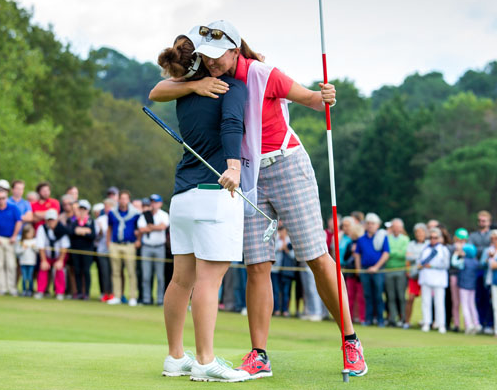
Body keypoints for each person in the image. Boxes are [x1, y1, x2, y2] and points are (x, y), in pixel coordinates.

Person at [150, 20, 366, 377]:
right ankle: (259, 354)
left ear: (236, 49)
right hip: (245, 176)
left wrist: (323, 96)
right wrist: (198, 84)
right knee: (257, 264)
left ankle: (351, 341)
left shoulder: (266, 74)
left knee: (315, 255)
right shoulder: (207, 74)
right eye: (208, 57)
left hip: (285, 164)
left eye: (219, 56)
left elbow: (310, 100)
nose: (213, 62)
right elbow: (160, 89)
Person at [157, 28, 251, 382]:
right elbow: (231, 124)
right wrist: (233, 165)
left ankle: (175, 357)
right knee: (209, 281)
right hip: (215, 193)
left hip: (181, 197)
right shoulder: (232, 86)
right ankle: (205, 361)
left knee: (181, 280)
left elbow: (159, 90)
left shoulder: (186, 91)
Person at [354, 212, 390, 327]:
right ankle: (368, 319)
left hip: (378, 270)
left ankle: (380, 319)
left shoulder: (382, 237)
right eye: (368, 223)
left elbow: (386, 254)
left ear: (377, 225)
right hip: (365, 270)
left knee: (378, 295)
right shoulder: (361, 239)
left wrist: (376, 267)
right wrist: (358, 269)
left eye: (373, 223)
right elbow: (357, 254)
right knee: (367, 295)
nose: (370, 225)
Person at [0, 187, 23, 296]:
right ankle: (2, 287)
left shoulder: (13, 208)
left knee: (11, 264)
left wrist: (14, 236)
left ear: (6, 198)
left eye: (3, 198)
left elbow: (19, 222)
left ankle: (12, 288)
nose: (1, 200)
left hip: (10, 239)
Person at [107, 190, 140, 306]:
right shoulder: (112, 213)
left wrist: (138, 240)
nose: (123, 201)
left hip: (129, 245)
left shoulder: (135, 214)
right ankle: (117, 296)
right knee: (116, 272)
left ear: (129, 200)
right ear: (119, 199)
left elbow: (138, 229)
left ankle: (132, 297)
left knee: (131, 272)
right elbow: (110, 228)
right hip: (115, 244)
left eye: (126, 198)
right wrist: (108, 243)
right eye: (122, 198)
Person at [137, 194, 169, 306]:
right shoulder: (144, 215)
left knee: (160, 276)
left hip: (159, 247)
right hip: (147, 247)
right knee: (146, 276)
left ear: (160, 203)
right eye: (152, 202)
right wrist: (155, 227)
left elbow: (163, 227)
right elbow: (141, 229)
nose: (153, 204)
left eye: (155, 202)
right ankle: (147, 299)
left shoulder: (163, 215)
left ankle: (160, 300)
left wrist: (150, 227)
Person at [418, 227, 450, 333]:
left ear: (439, 238)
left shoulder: (443, 249)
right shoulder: (425, 248)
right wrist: (421, 266)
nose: (433, 240)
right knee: (426, 302)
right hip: (426, 277)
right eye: (431, 237)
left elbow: (446, 264)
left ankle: (441, 324)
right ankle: (427, 322)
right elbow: (419, 261)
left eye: (435, 238)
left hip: (438, 279)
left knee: (439, 303)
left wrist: (431, 265)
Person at [35, 209, 70, 300]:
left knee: (59, 268)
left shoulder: (62, 229)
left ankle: (59, 292)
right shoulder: (42, 229)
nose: (51, 222)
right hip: (46, 255)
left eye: (53, 220)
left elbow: (64, 247)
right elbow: (40, 245)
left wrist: (60, 261)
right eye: (49, 220)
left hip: (59, 255)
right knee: (43, 268)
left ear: (57, 220)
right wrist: (43, 260)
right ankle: (40, 291)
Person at [470, 211, 493, 333]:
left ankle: (489, 324)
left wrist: (479, 251)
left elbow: (477, 250)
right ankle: (479, 322)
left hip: (490, 271)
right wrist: (485, 251)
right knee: (478, 298)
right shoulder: (473, 235)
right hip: (477, 270)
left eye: (484, 220)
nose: (481, 222)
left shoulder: (493, 234)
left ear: (489, 222)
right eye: (480, 220)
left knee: (489, 298)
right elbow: (471, 251)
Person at [68, 199, 95, 300]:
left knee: (86, 271)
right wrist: (85, 231)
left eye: (84, 209)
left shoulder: (91, 221)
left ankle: (86, 293)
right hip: (76, 250)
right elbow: (71, 233)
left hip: (87, 250)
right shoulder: (75, 221)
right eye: (81, 209)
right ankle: (79, 292)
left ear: (88, 210)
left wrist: (80, 231)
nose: (82, 211)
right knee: (77, 271)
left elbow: (92, 235)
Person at [385, 218, 409, 327]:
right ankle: (392, 318)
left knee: (401, 295)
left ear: (401, 228)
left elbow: (404, 253)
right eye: (394, 226)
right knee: (391, 296)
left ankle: (403, 318)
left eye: (398, 227)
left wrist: (393, 253)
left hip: (401, 270)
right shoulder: (387, 238)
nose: (396, 229)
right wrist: (396, 252)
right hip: (389, 269)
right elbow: (387, 252)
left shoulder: (405, 239)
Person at [341, 216, 365, 324]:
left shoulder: (363, 243)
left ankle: (361, 318)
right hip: (350, 272)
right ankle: (348, 319)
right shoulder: (350, 243)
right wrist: (351, 251)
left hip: (360, 273)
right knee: (349, 296)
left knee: (361, 297)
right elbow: (345, 258)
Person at [404, 223, 428, 329]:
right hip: (414, 276)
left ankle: (426, 321)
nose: (419, 234)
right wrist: (420, 258)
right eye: (417, 232)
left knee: (426, 300)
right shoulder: (411, 244)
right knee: (410, 298)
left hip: (425, 276)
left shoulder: (428, 244)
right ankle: (407, 321)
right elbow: (408, 257)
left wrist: (416, 257)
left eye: (421, 232)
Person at [454, 243, 481, 334]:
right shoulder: (475, 262)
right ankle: (476, 323)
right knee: (472, 305)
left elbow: (454, 263)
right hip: (472, 286)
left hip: (464, 286)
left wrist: (456, 254)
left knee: (465, 305)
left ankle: (469, 324)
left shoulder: (464, 261)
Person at [272, 226, 296, 316]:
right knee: (276, 290)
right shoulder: (275, 239)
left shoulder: (289, 241)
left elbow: (293, 255)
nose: (282, 233)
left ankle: (285, 310)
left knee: (286, 291)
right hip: (275, 269)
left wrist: (286, 248)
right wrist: (280, 247)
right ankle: (277, 310)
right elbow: (272, 251)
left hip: (286, 272)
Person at [94, 199, 115, 302]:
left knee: (114, 272)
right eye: (106, 207)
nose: (107, 209)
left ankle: (114, 294)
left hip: (113, 250)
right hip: (102, 250)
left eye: (109, 207)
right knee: (104, 272)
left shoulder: (116, 218)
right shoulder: (100, 219)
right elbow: (96, 237)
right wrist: (101, 231)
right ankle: (105, 293)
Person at [448, 228, 468, 332]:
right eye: (460, 239)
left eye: (463, 239)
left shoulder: (468, 248)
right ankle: (456, 324)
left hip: (465, 277)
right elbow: (451, 263)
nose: (461, 241)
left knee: (466, 302)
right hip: (454, 276)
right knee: (455, 302)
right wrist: (457, 252)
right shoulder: (451, 248)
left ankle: (467, 324)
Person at [15, 224, 38, 296]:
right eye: (29, 233)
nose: (30, 235)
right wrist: (23, 248)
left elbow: (38, 251)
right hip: (23, 262)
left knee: (30, 277)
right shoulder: (21, 241)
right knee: (24, 277)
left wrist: (34, 247)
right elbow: (17, 252)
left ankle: (30, 290)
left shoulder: (35, 241)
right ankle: (24, 290)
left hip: (31, 262)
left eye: (32, 233)